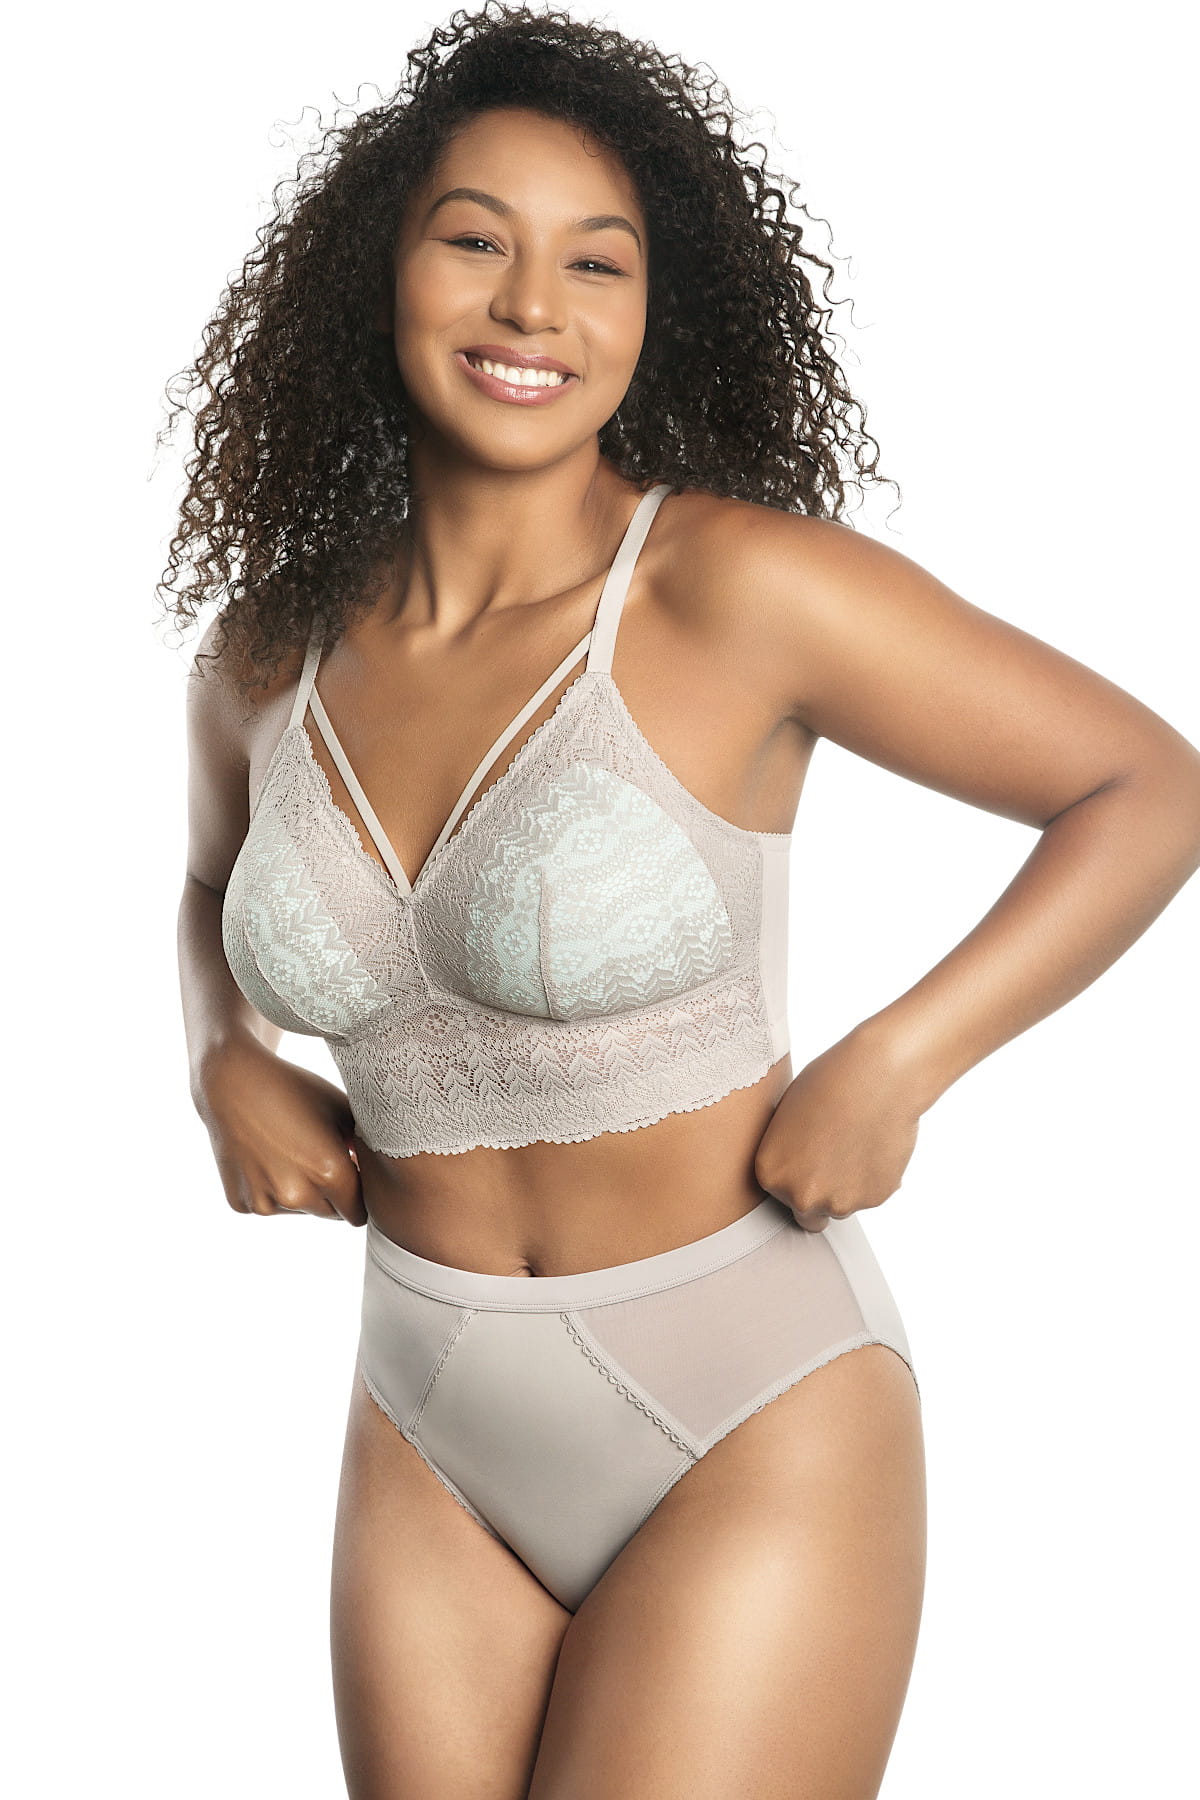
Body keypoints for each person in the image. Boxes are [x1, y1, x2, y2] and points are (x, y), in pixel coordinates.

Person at [164, 8, 1200, 1796]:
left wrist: (899, 1059)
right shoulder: (265, 648)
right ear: (377, 271)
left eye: (597, 261)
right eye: (475, 240)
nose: (531, 308)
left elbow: (1146, 787)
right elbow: (207, 882)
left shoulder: (739, 589)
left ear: (660, 310)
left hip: (747, 1397)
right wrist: (219, 1059)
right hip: (424, 1405)